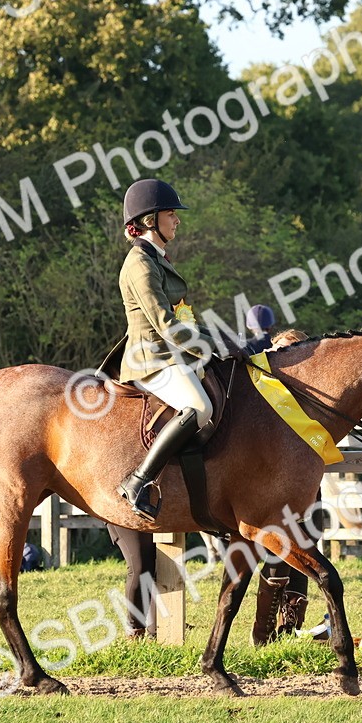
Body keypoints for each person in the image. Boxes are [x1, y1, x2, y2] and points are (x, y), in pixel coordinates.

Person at [114, 178, 245, 521]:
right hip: (152, 359)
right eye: (171, 214)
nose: (177, 220)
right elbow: (166, 324)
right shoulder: (140, 264)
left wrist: (221, 337)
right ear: (150, 220)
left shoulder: (155, 258)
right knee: (199, 407)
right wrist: (217, 342)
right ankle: (139, 480)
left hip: (172, 354)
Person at [248, 328, 315, 645]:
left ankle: (290, 625)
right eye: (280, 349)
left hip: (302, 482)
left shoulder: (309, 393)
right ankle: (263, 630)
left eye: (292, 350)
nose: (284, 356)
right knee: (278, 549)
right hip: (266, 483)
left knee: (306, 545)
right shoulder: (258, 385)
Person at [106, 523, 158, 639]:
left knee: (160, 566)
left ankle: (156, 629)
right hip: (120, 515)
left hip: (160, 514)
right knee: (139, 567)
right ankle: (135, 629)